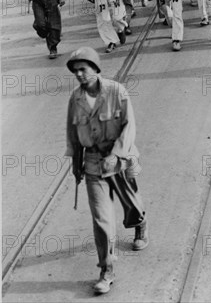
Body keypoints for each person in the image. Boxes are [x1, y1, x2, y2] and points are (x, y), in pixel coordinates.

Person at [65, 46, 148, 295]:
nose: (79, 74)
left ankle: (140, 224)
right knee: (102, 219)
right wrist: (75, 164)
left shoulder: (116, 91)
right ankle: (106, 270)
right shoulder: (75, 99)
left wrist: (117, 154)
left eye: (83, 69)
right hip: (92, 164)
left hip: (120, 160)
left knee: (131, 205)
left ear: (95, 68)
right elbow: (73, 134)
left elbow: (129, 126)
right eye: (75, 71)